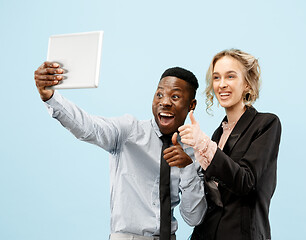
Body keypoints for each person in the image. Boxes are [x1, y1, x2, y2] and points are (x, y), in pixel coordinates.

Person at [33, 62, 207, 240]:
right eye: (159, 94)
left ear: (191, 105)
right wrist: (50, 97)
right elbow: (89, 127)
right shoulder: (129, 131)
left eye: (175, 97)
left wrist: (187, 167)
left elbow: (194, 218)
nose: (164, 102)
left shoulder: (194, 153)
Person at [178, 49, 281, 240]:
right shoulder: (217, 135)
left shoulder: (266, 124)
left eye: (230, 76)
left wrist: (202, 143)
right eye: (216, 78)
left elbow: (245, 182)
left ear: (247, 84)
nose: (222, 84)